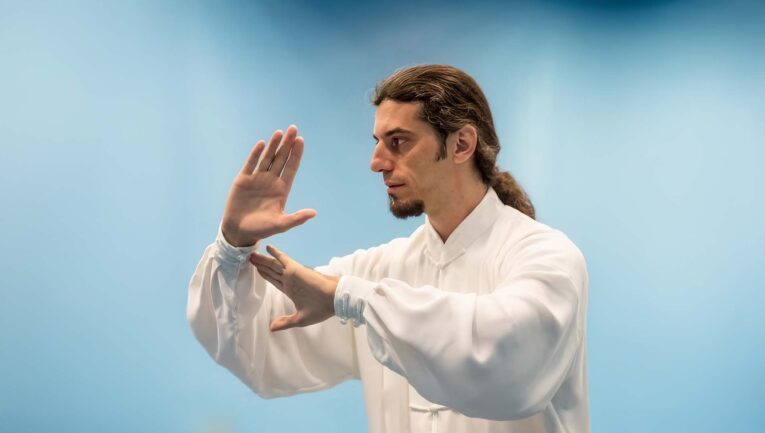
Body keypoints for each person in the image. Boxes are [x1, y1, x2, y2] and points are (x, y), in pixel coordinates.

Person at [187, 64, 589, 433]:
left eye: (398, 142)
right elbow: (256, 346)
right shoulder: (377, 271)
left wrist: (351, 298)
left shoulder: (545, 256)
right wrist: (234, 243)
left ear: (462, 144)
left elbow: (507, 364)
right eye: (378, 142)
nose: (376, 162)